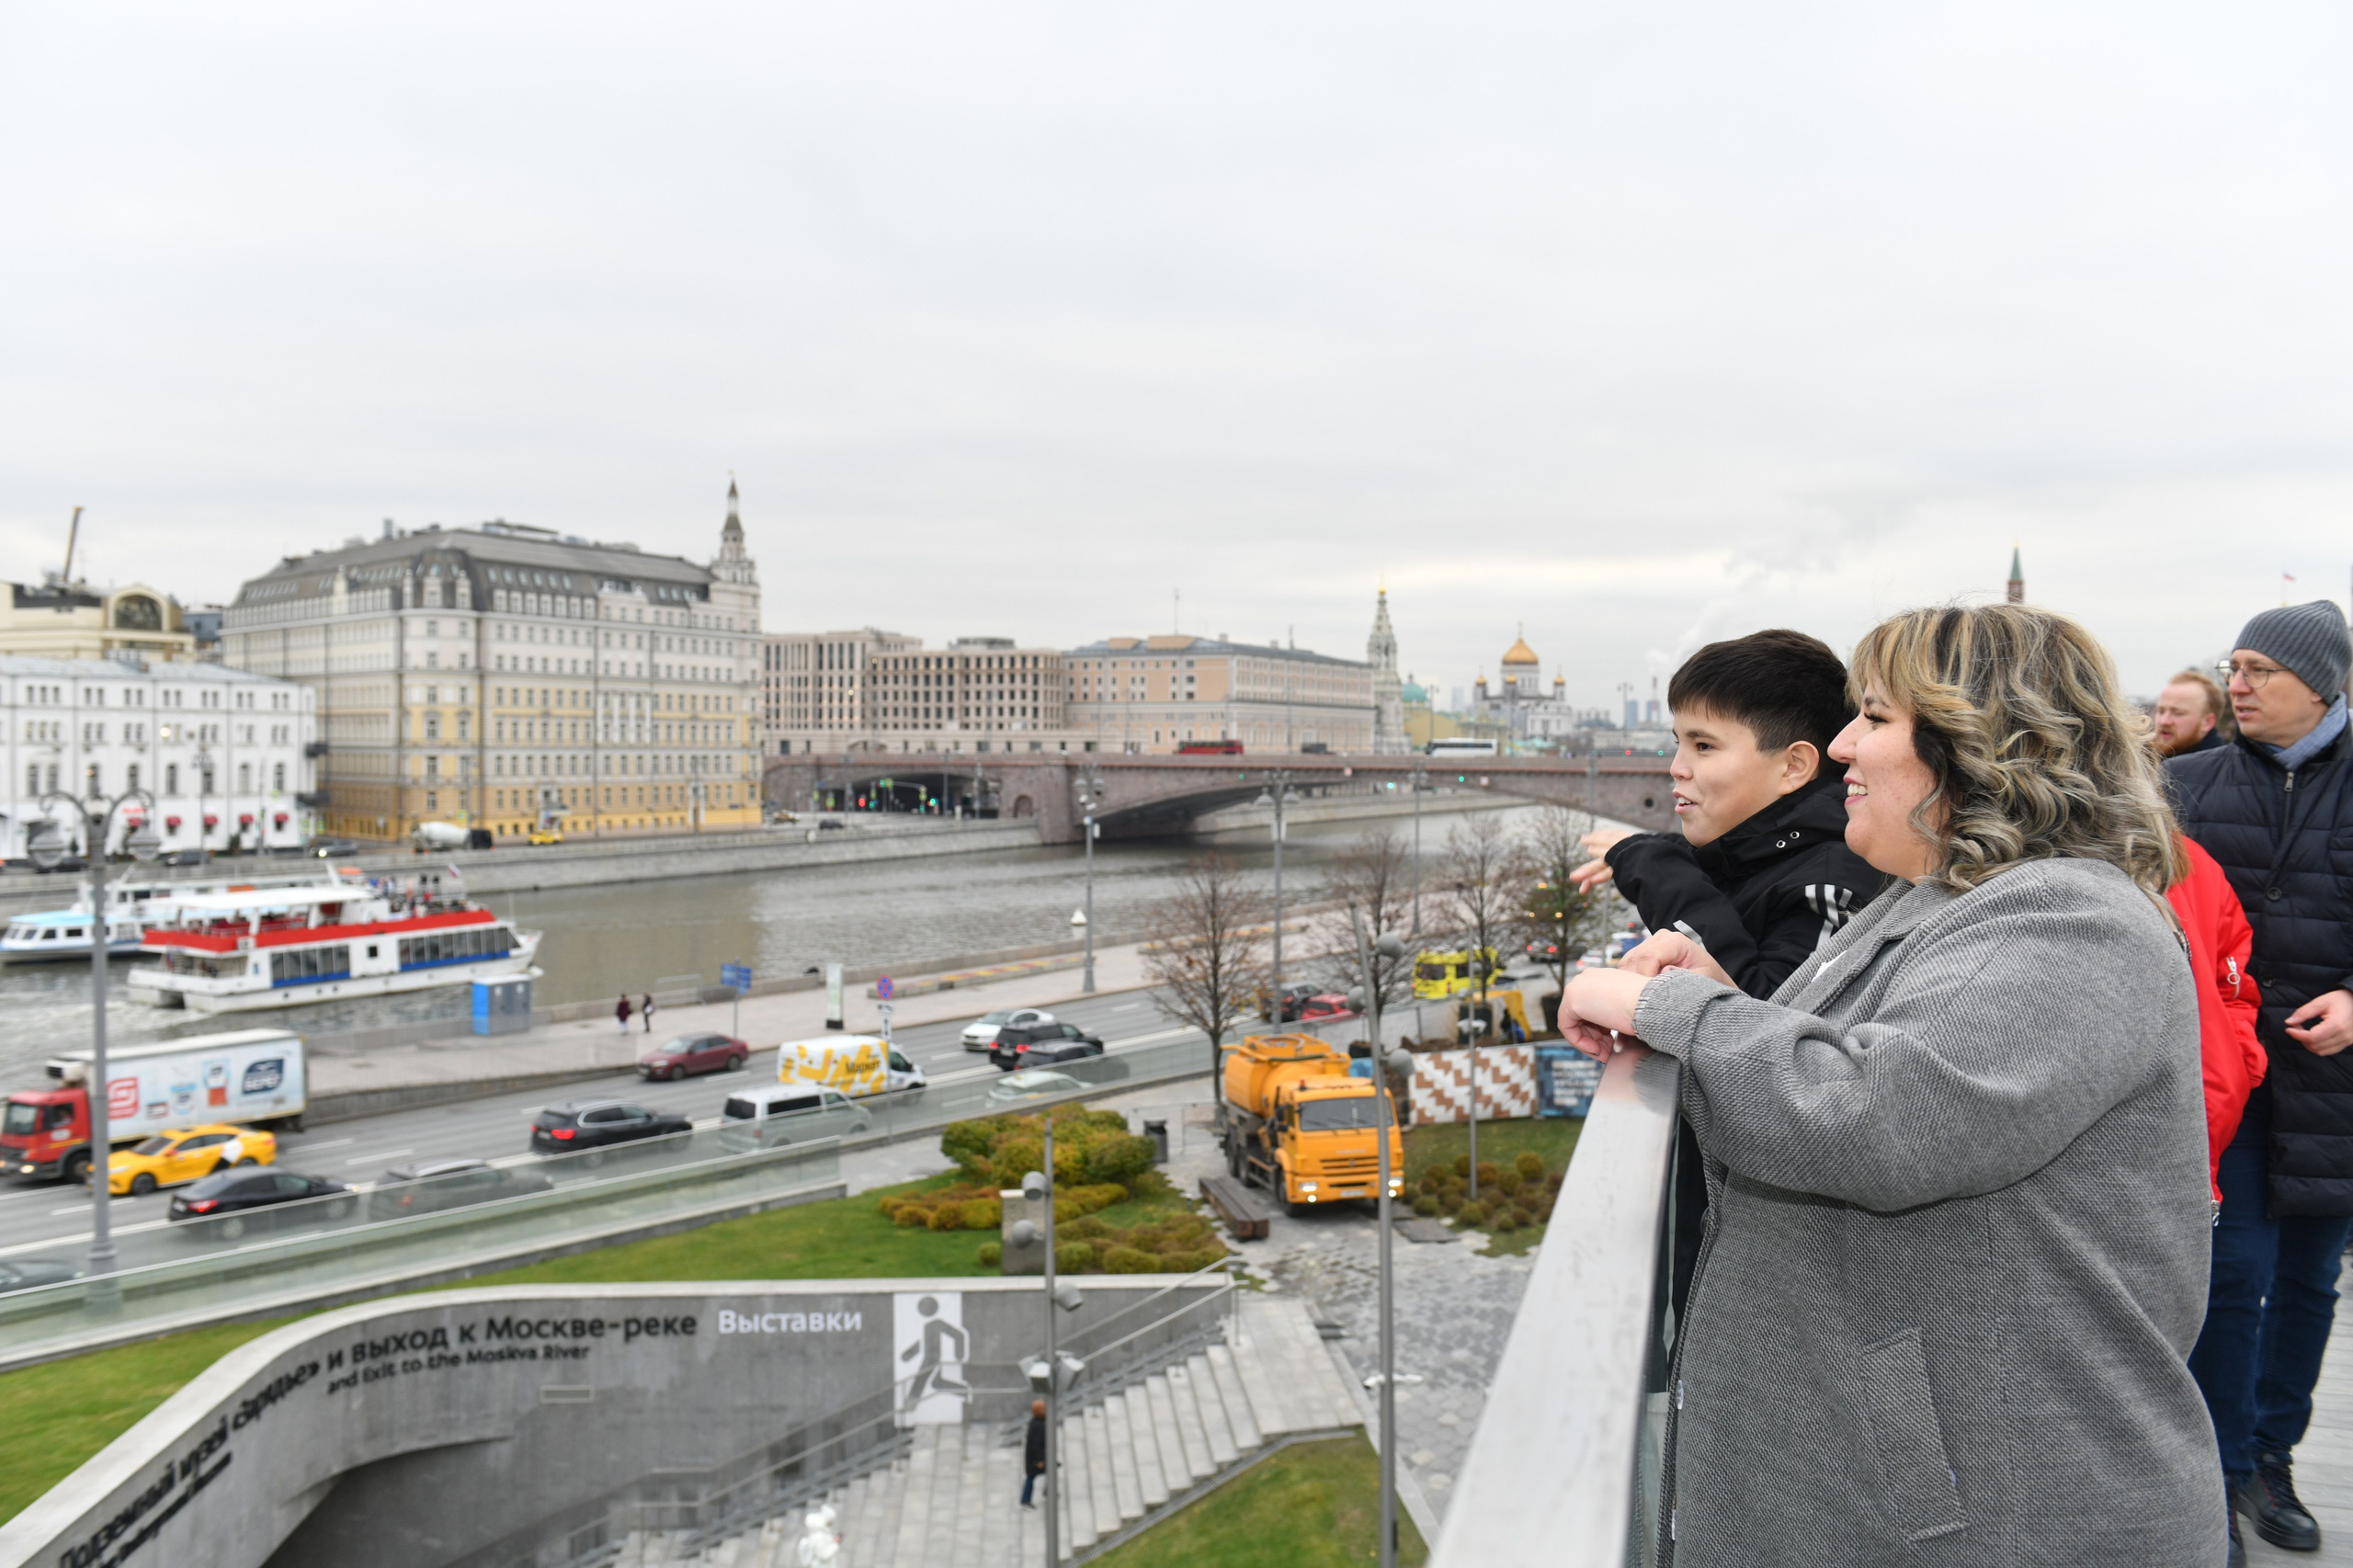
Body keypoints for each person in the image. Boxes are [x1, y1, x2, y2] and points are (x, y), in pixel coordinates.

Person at [1560, 603, 2222, 1567]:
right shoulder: (1940, 898)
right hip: (1917, 1495)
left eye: (1872, 717)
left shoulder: (2072, 922)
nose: (1839, 746)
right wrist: (1711, 991)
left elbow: (1877, 1116)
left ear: (1977, 744)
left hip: (1999, 1515)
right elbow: (1836, 1050)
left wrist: (1669, 1014)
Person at [2167, 599, 2353, 1557]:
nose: (2234, 684)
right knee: (2229, 1273)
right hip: (2224, 1072)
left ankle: (2275, 1453)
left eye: (2256, 669)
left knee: (2310, 1280)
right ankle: (2222, 1472)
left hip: (2335, 1083)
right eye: (2231, 667)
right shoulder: (2184, 784)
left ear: (2319, 683)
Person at [1572, 629, 1891, 998]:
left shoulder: (1831, 886)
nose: (1677, 768)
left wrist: (1658, 869)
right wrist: (1663, 854)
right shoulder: (1758, 863)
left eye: (1703, 745)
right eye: (1679, 744)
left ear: (1793, 766)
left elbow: (1762, 1017)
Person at [2156, 667, 2234, 757]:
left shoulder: (2222, 769)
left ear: (2207, 722)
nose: (2164, 721)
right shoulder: (2147, 766)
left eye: (2178, 713)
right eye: (2161, 711)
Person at [1022, 1398, 1048, 1509]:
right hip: (1035, 1459)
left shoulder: (1036, 1422)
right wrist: (1039, 1460)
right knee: (1031, 1478)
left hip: (1033, 1458)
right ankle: (1025, 1500)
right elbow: (1037, 1444)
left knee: (1032, 1477)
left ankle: (1047, 1491)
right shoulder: (1038, 1425)